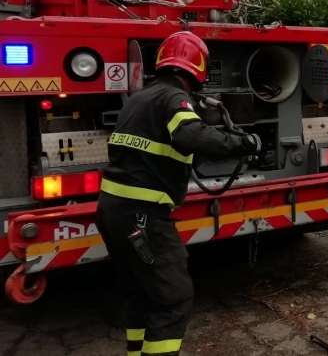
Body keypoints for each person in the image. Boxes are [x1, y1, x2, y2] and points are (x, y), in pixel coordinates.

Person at [96, 31, 262, 356]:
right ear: (198, 68)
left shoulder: (138, 99)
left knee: (140, 291)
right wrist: (243, 143)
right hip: (142, 220)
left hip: (114, 213)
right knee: (172, 298)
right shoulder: (175, 98)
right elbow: (189, 134)